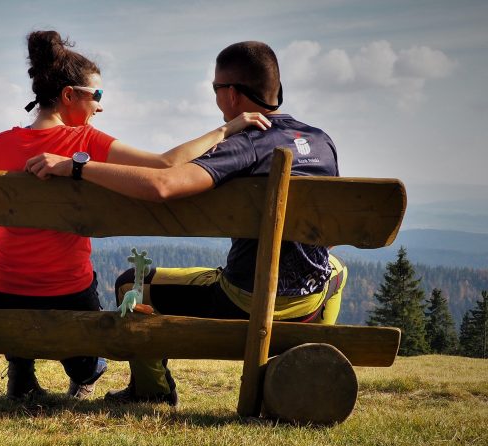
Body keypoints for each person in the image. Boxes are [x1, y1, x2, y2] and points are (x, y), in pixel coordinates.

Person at [24, 41, 347, 406]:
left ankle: (152, 391)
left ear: (231, 95)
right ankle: (315, 350)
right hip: (312, 294)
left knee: (132, 283)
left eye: (215, 89)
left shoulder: (246, 145)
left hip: (245, 298)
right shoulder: (322, 142)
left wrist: (76, 165)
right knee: (338, 268)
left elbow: (164, 184)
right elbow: (328, 238)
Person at [0, 31, 270, 401]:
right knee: (89, 362)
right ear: (69, 95)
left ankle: (21, 372)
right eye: (96, 96)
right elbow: (166, 163)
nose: (100, 107)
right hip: (65, 289)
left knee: (9, 285)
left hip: (1, 289)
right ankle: (85, 370)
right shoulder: (83, 140)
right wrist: (228, 128)